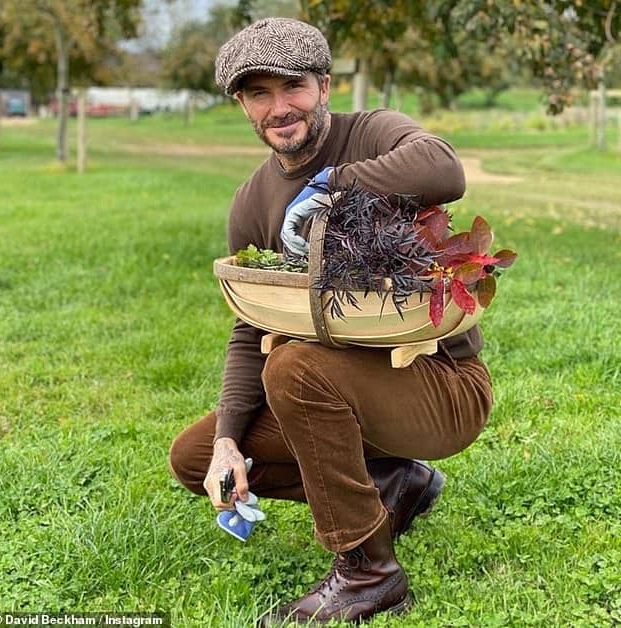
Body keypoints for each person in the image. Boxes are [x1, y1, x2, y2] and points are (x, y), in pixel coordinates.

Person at [169, 17, 493, 626]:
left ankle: (369, 573)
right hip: (336, 396)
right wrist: (226, 443)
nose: (278, 107)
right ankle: (394, 486)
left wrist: (334, 185)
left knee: (295, 366)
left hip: (440, 388)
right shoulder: (251, 200)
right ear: (241, 105)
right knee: (193, 457)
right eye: (258, 93)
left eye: (292, 86)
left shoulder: (373, 133)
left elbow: (445, 171)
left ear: (323, 86)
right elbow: (248, 328)